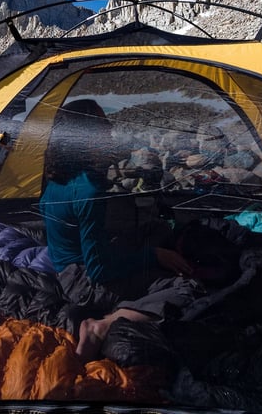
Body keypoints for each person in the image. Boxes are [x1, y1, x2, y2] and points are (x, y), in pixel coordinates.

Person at [39, 99, 193, 360]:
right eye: (102, 125)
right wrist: (153, 256)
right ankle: (102, 325)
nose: (109, 131)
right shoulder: (88, 191)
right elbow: (99, 270)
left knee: (156, 230)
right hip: (83, 282)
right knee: (186, 287)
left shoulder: (58, 175)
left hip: (66, 266)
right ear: (85, 136)